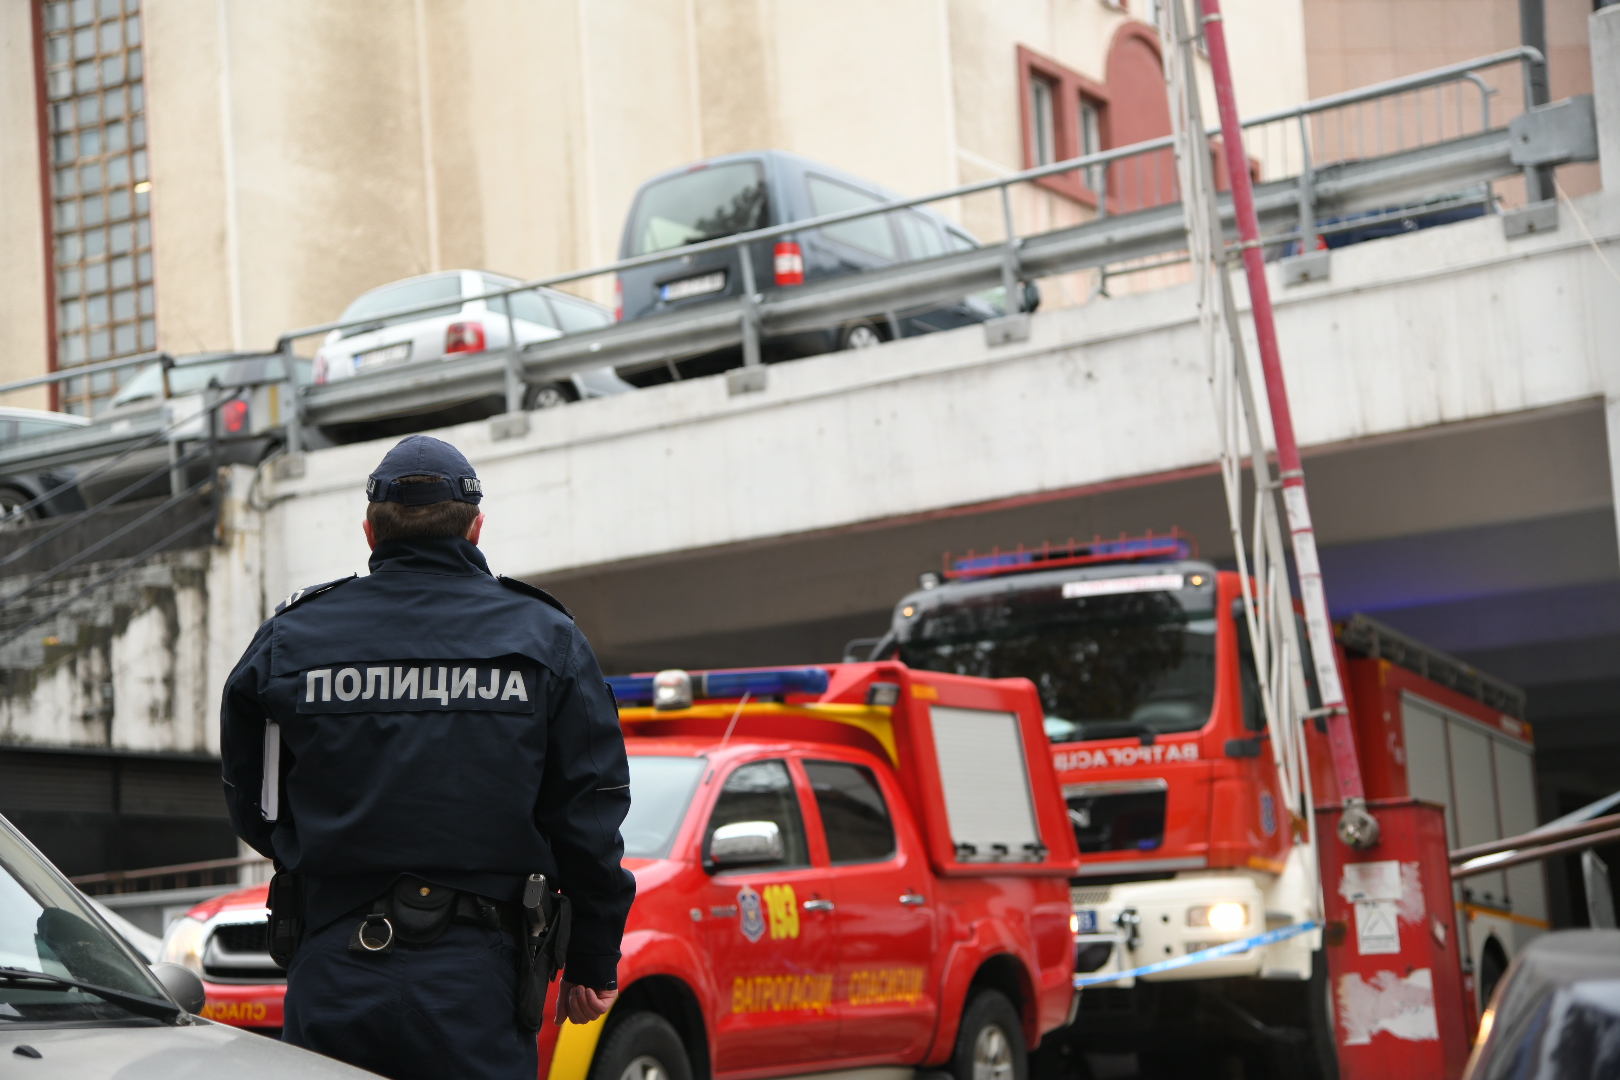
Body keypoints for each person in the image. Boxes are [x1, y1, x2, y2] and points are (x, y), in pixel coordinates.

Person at [220, 435, 634, 1080]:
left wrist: (320, 855)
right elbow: (590, 810)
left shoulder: (291, 639)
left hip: (333, 961)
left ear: (369, 532)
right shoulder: (544, 636)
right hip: (479, 977)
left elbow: (252, 798)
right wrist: (592, 956)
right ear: (475, 528)